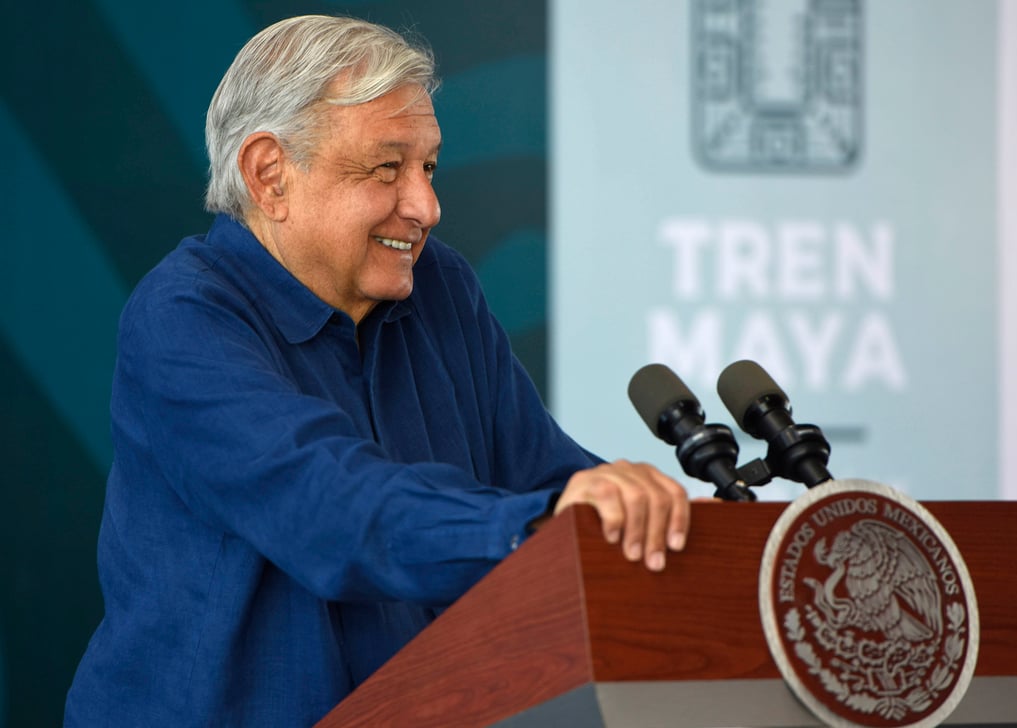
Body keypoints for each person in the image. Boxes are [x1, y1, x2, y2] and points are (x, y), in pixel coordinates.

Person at [64, 15, 692, 727]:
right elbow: (327, 504)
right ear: (270, 176)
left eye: (427, 166)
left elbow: (546, 479)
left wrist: (632, 517)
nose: (426, 205)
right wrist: (543, 522)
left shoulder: (442, 287)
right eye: (387, 168)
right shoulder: (182, 316)